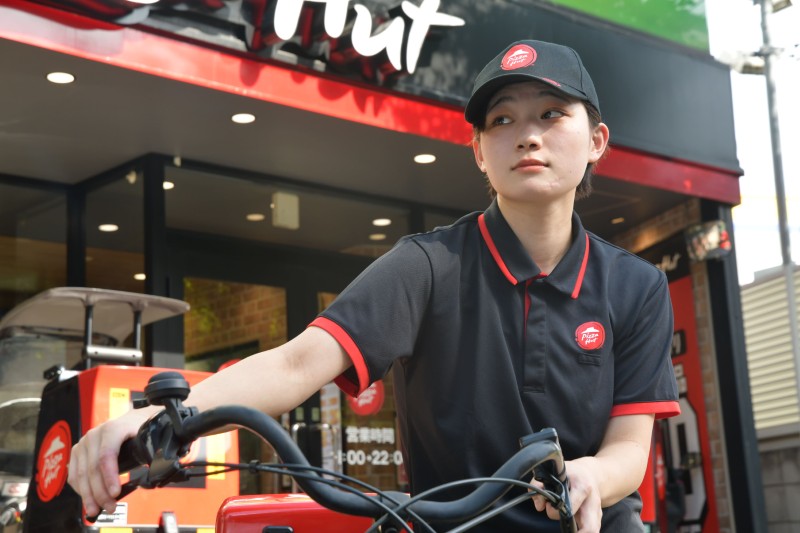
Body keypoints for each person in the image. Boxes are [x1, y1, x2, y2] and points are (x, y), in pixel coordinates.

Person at [68, 39, 680, 532]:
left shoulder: (636, 286)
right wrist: (163, 421)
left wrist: (591, 478)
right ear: (478, 153)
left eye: (552, 113)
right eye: (502, 119)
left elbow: (629, 447)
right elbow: (296, 362)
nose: (527, 134)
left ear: (597, 141)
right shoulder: (428, 265)